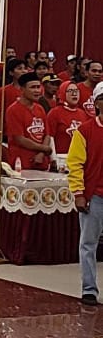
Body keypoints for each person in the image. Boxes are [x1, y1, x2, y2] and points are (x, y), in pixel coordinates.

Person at [68, 88, 103, 306]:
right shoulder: (85, 130)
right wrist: (78, 193)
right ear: (97, 103)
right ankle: (89, 289)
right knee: (88, 243)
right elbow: (75, 164)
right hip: (94, 195)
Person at [5, 73, 52, 170]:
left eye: (38, 87)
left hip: (41, 163)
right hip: (21, 164)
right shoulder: (13, 110)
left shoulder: (40, 108)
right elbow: (20, 139)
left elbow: (47, 135)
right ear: (22, 89)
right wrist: (44, 149)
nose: (37, 91)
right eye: (33, 87)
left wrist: (41, 154)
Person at [47, 81, 91, 154]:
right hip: (61, 156)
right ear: (63, 93)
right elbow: (49, 137)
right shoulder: (55, 113)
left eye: (76, 91)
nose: (74, 94)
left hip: (79, 156)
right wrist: (53, 157)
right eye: (70, 91)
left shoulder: (83, 113)